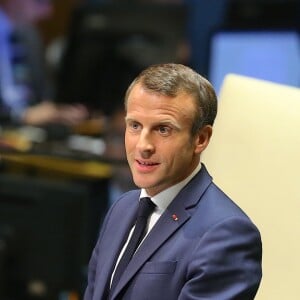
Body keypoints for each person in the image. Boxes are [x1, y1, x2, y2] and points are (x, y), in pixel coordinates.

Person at [84, 63, 262, 300]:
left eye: (163, 130)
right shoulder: (122, 207)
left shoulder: (227, 233)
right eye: (135, 126)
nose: (143, 145)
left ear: (201, 139)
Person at [0, 0, 88, 126]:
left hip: (28, 134)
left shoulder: (29, 37)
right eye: (40, 2)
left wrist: (57, 111)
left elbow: (43, 99)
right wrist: (21, 116)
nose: (47, 12)